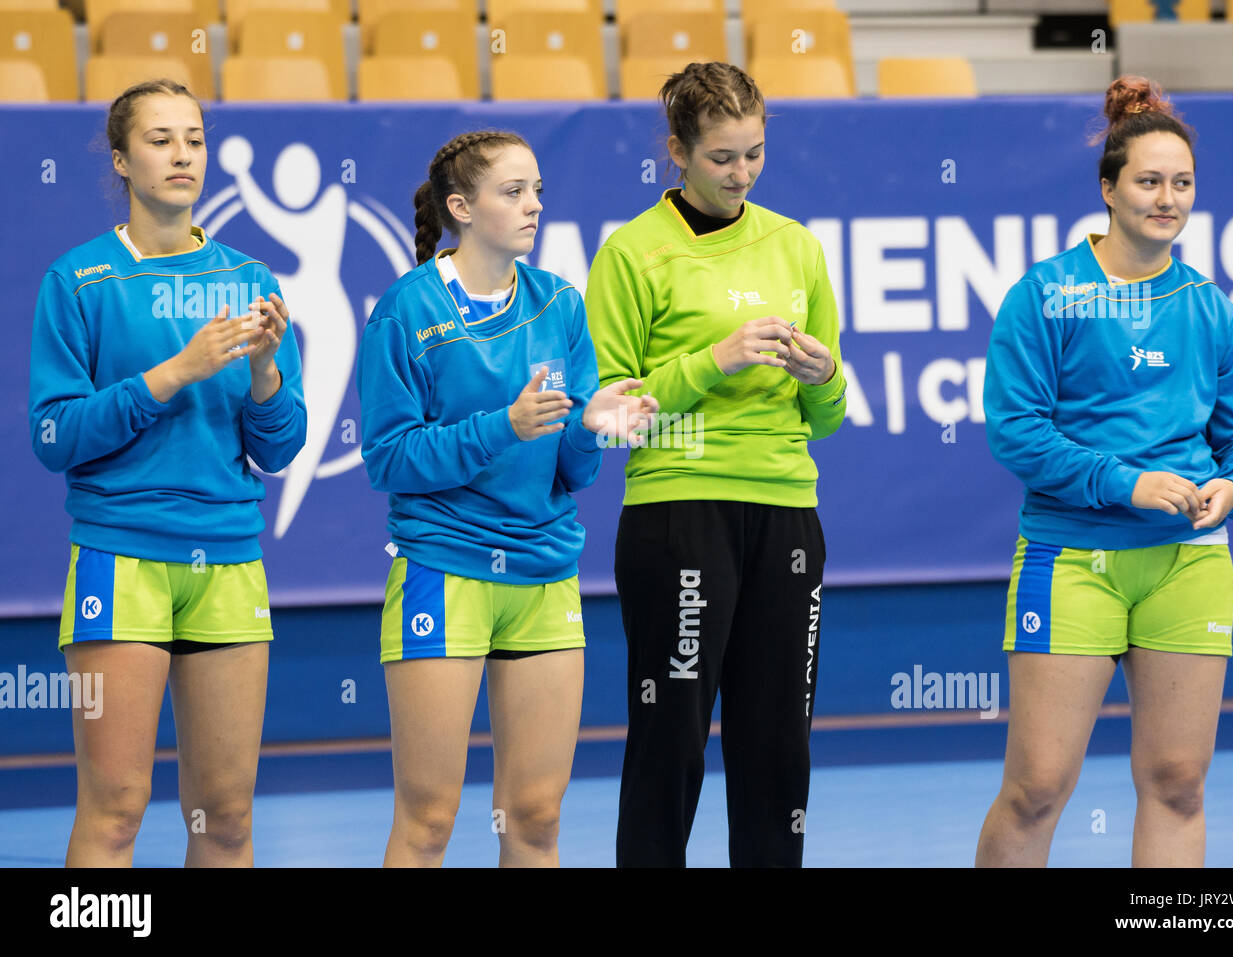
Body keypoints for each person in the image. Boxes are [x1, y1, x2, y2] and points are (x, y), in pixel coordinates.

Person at [977, 76, 1233, 867]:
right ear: (1108, 189)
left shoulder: (1210, 307)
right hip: (1072, 560)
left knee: (1179, 781)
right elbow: (1016, 431)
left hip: (1189, 565)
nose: (1167, 198)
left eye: (1182, 183)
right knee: (1038, 785)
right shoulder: (1045, 296)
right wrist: (1125, 482)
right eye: (1148, 181)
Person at [357, 130, 656, 868]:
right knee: (428, 818)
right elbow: (388, 458)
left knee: (536, 814)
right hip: (444, 568)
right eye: (513, 192)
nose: (534, 207)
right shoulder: (404, 311)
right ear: (461, 206)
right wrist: (504, 425)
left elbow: (572, 472)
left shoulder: (559, 303)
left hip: (542, 568)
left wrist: (592, 429)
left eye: (538, 191)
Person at [28, 79, 307, 866]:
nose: (182, 153)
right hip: (122, 560)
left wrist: (263, 378)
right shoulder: (77, 280)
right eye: (159, 139)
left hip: (228, 559)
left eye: (193, 137)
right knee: (115, 812)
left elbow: (280, 449)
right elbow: (54, 435)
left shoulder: (251, 279)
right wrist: (171, 373)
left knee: (227, 817)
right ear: (121, 158)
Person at [583, 62, 849, 867]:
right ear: (677, 152)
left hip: (786, 511)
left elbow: (829, 418)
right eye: (722, 157)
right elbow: (610, 418)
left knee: (778, 748)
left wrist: (824, 376)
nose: (741, 175)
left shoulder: (795, 246)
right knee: (671, 740)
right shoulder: (632, 253)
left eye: (755, 155)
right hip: (680, 515)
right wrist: (715, 360)